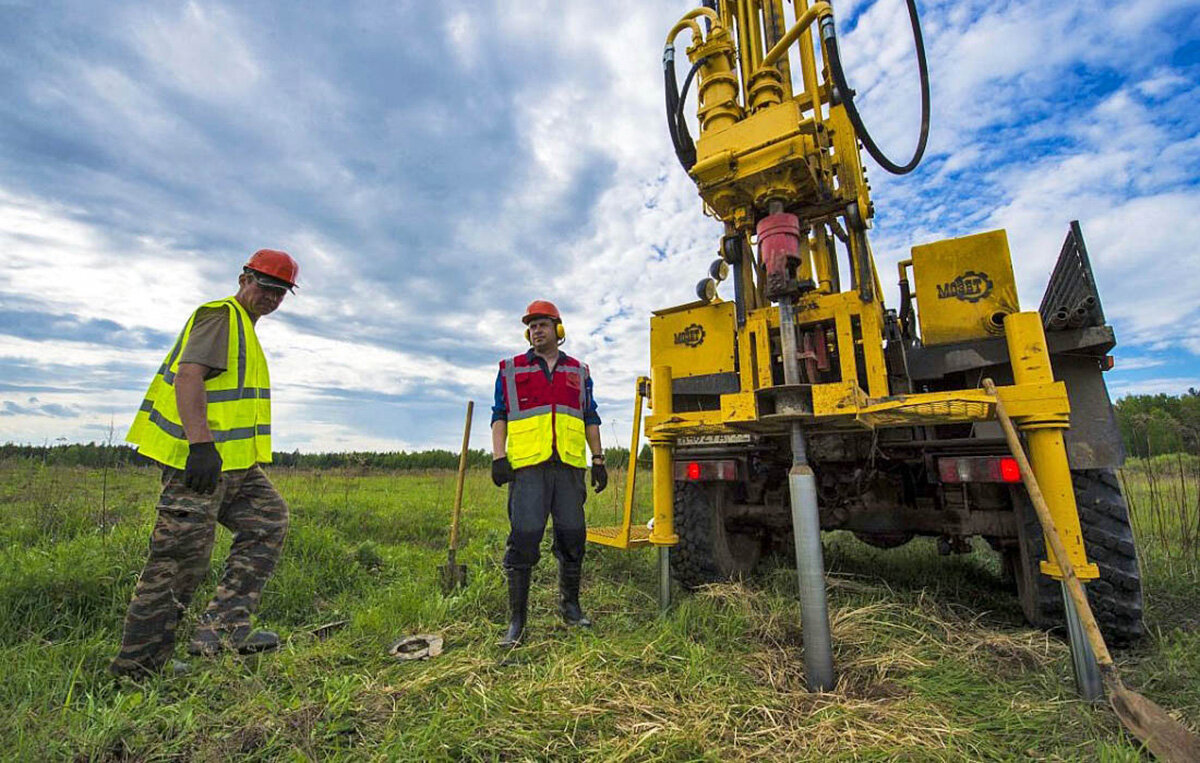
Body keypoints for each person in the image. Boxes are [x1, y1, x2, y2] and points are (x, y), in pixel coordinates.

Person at [110, 249, 299, 678]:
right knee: (177, 561)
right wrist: (199, 446)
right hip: (200, 467)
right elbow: (189, 375)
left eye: (281, 292)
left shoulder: (245, 329)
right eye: (265, 286)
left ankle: (224, 629)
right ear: (244, 278)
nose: (271, 297)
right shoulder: (220, 316)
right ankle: (138, 666)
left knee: (267, 521)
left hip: (236, 469)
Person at [490, 299, 608, 647]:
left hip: (569, 468)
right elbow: (499, 414)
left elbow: (590, 417)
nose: (535, 330)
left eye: (542, 324)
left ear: (558, 329)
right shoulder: (511, 369)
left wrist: (598, 459)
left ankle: (571, 608)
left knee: (573, 537)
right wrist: (499, 457)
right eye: (531, 326)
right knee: (524, 539)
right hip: (528, 469)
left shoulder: (579, 371)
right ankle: (517, 623)